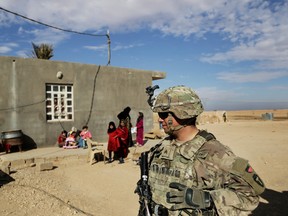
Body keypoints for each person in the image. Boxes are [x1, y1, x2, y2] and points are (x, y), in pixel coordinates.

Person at [135, 85, 265, 216]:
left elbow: (249, 197)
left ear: (182, 114)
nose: (159, 119)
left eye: (163, 115)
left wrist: (207, 199)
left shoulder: (214, 153)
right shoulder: (162, 147)